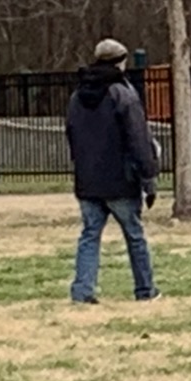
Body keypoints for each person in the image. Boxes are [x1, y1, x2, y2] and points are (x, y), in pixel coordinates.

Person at [65, 38, 161, 303]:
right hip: (121, 180)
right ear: (121, 61)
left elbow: (71, 133)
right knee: (135, 236)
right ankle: (145, 289)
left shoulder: (77, 96)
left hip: (88, 180)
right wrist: (149, 177)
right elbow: (138, 139)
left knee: (89, 235)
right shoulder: (124, 94)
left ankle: (83, 291)